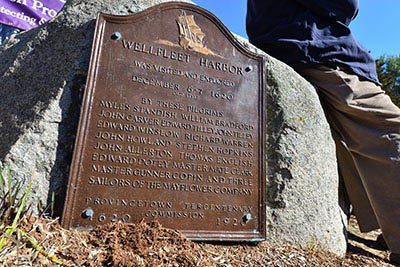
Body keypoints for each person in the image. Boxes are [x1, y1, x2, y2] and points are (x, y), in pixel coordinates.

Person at [246, 0, 400, 264]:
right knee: (392, 129)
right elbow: (346, 5)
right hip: (317, 50)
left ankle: (389, 228)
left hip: (291, 45)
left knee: (352, 139)